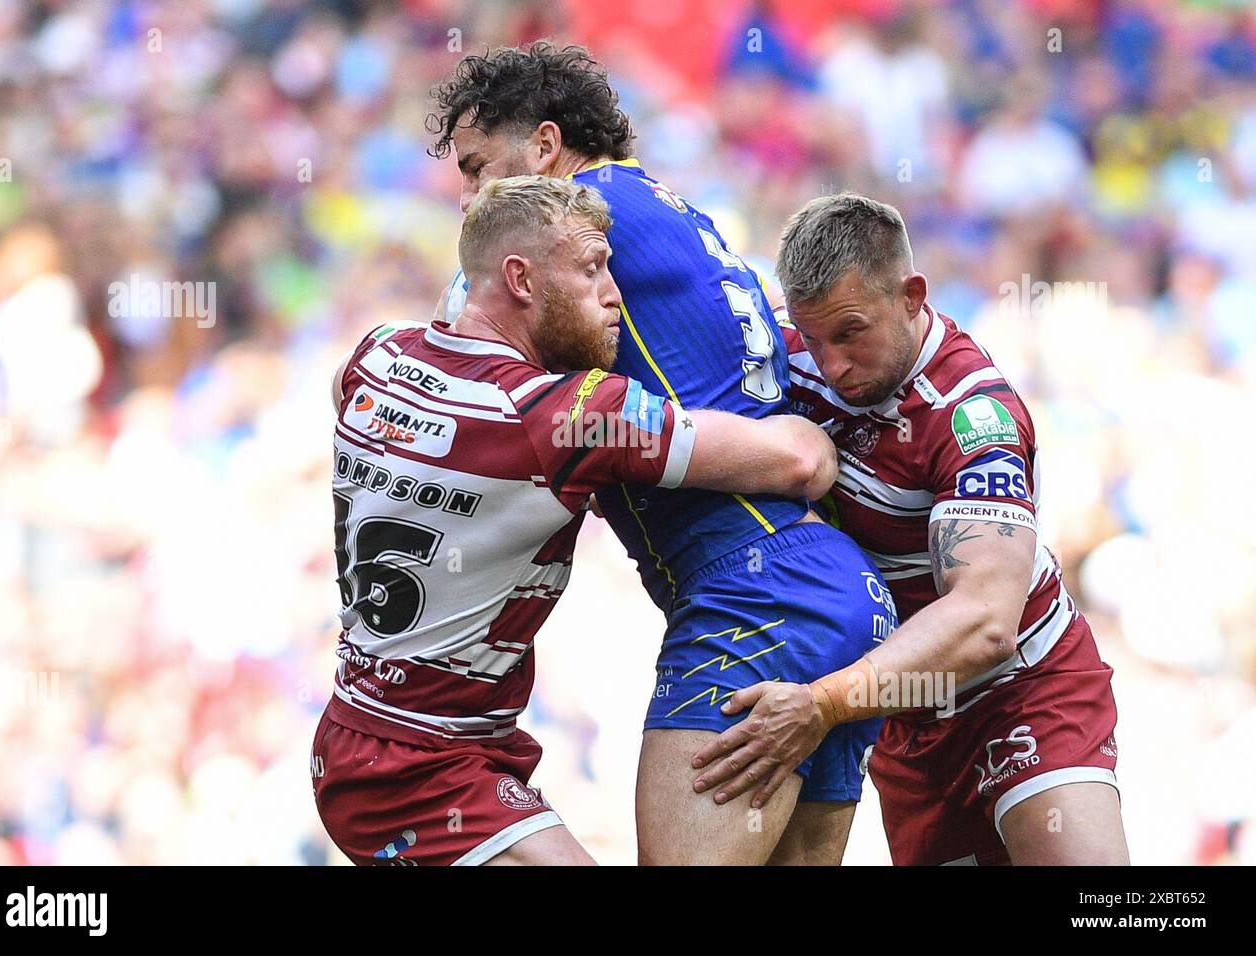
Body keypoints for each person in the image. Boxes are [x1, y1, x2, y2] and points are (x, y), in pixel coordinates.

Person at [427, 43, 896, 865]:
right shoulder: (666, 206)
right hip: (826, 589)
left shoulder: (564, 225)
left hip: (753, 596)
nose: (469, 199)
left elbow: (449, 364)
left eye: (476, 169)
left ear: (543, 148)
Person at [310, 174, 838, 866]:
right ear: (521, 279)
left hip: (379, 733)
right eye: (592, 271)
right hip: (417, 768)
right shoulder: (566, 416)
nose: (616, 295)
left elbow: (353, 389)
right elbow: (801, 462)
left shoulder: (376, 354)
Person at [691, 193, 1130, 866]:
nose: (831, 364)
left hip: (1024, 689)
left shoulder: (972, 414)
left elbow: (985, 622)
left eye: (851, 333)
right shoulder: (787, 351)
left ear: (912, 295)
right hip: (904, 709)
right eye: (813, 338)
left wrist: (820, 704)